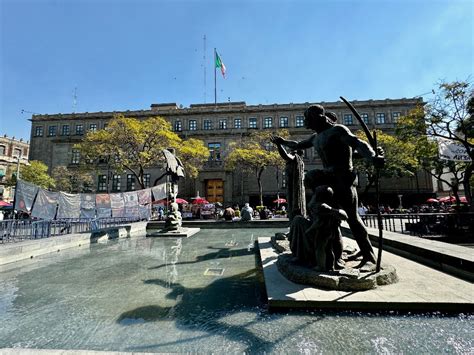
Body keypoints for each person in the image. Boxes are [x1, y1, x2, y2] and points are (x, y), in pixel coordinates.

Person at [272, 104, 384, 267]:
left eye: (307, 119)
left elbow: (358, 143)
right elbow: (297, 145)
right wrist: (282, 142)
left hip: (343, 178)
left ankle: (369, 256)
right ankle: (332, 256)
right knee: (328, 216)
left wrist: (373, 157)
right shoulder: (315, 138)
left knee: (353, 218)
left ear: (319, 117)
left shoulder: (338, 130)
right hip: (329, 179)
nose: (305, 122)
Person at [271, 139, 306, 222]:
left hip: (294, 187)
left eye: (292, 150)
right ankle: (294, 226)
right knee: (292, 204)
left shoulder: (295, 157)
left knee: (294, 204)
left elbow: (285, 156)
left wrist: (279, 145)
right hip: (292, 185)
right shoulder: (297, 160)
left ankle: (296, 227)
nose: (290, 151)